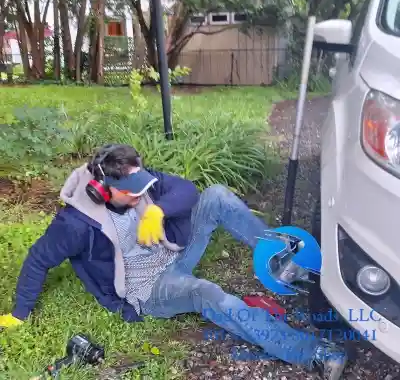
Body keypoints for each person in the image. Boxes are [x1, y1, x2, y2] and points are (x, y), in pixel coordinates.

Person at [0, 144, 347, 379]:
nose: (138, 191)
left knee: (217, 196)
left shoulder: (134, 178)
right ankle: (311, 353)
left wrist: (157, 210)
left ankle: (282, 261)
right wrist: (19, 313)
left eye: (141, 182)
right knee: (207, 293)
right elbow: (37, 259)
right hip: (148, 289)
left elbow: (187, 190)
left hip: (172, 252)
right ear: (103, 189)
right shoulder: (74, 224)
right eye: (130, 189)